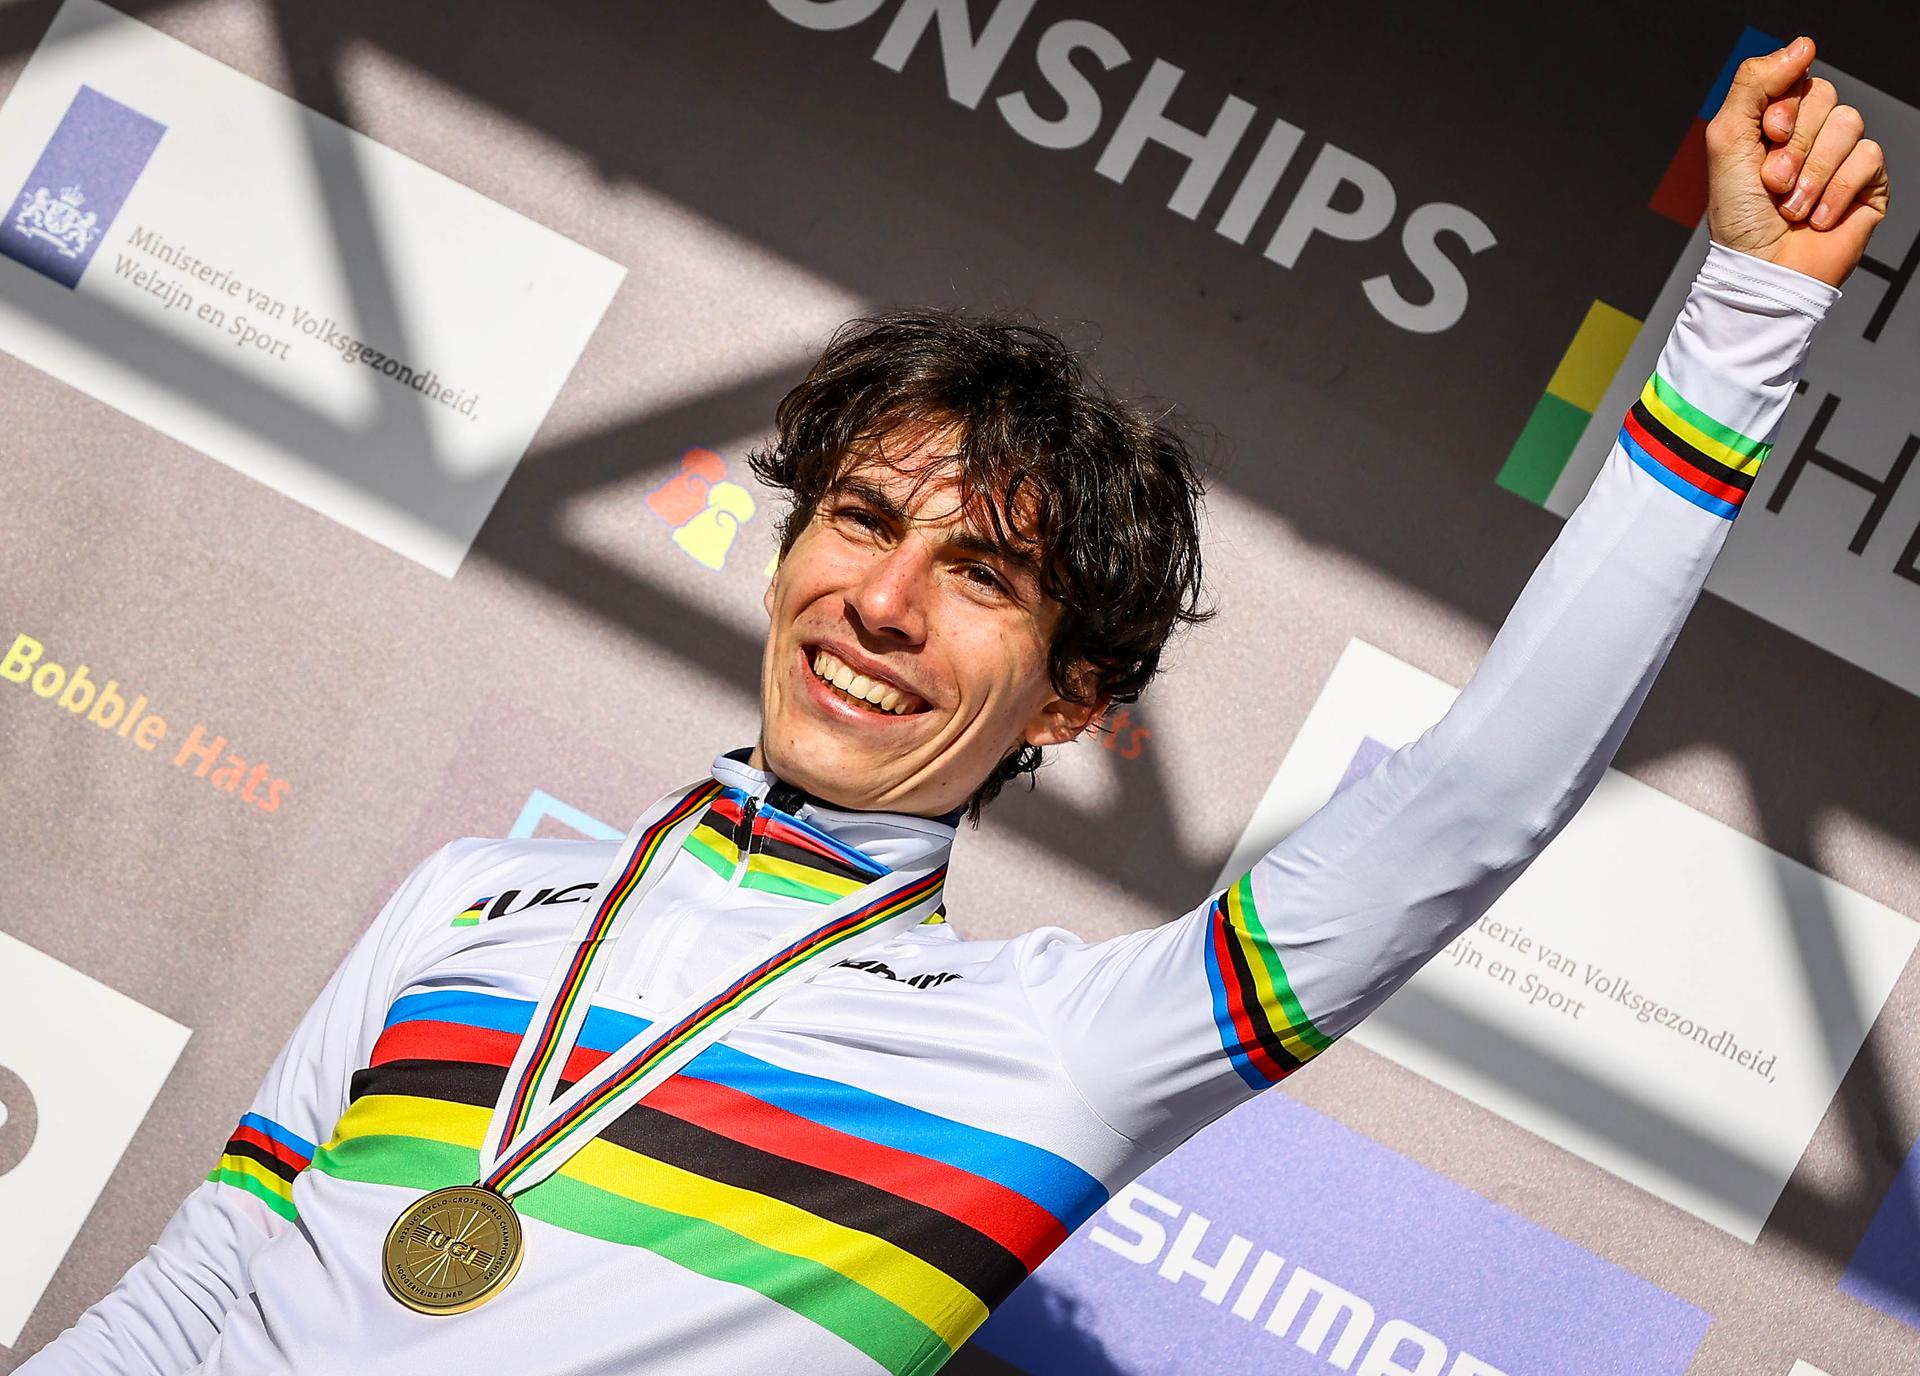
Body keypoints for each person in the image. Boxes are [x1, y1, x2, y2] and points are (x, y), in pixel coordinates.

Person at [24, 36, 1890, 1376]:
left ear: (1074, 703)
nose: (885, 602)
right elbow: (197, 1299)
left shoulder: (1057, 1054)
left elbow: (1476, 801)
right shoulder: (463, 904)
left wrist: (1738, 320)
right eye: (858, 518)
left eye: (984, 576)